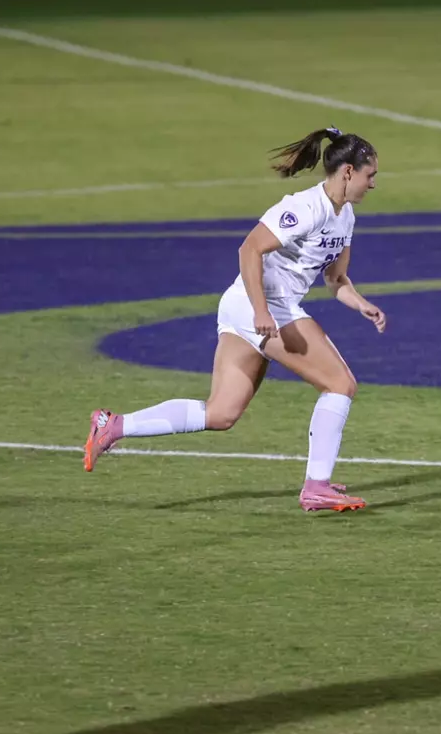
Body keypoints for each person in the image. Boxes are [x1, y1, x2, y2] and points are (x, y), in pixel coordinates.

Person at [84, 126, 386, 512]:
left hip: (248, 308)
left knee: (221, 413)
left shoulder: (344, 218)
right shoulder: (304, 208)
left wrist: (360, 303)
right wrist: (261, 310)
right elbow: (250, 249)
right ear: (347, 172)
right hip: (260, 306)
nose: (372, 183)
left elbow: (335, 279)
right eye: (370, 174)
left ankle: (113, 425)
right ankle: (316, 486)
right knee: (340, 384)